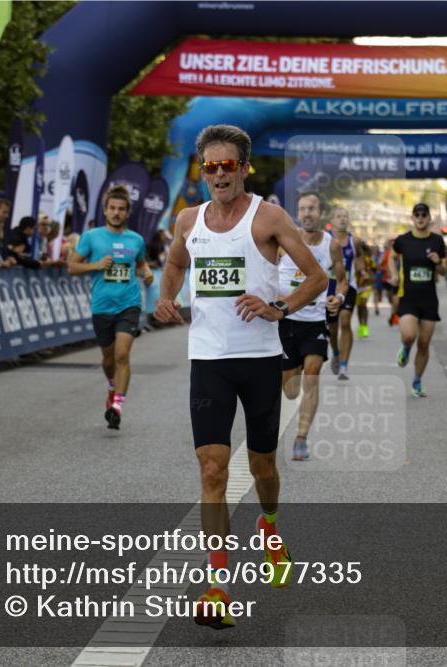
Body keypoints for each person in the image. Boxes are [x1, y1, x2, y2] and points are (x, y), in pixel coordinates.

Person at [153, 124, 326, 630]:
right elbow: (175, 263)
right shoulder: (188, 219)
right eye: (211, 166)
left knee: (262, 469)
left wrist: (279, 305)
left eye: (229, 165)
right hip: (207, 358)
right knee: (212, 469)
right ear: (202, 170)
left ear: (245, 168)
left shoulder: (268, 216)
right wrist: (167, 297)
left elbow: (316, 277)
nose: (220, 174)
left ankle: (269, 527)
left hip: (257, 359)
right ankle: (217, 586)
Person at [68, 185, 153, 430]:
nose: (116, 213)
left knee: (122, 355)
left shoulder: (136, 240)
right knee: (107, 360)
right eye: (112, 208)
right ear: (105, 210)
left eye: (121, 209)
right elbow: (72, 267)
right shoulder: (91, 237)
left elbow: (141, 263)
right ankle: (112, 386)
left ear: (127, 212)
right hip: (102, 305)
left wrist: (146, 274)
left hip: (129, 303)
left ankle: (117, 406)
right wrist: (95, 266)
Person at [278, 191, 346, 460]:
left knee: (313, 374)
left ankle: (301, 437)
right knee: (290, 388)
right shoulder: (285, 241)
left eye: (312, 209)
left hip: (315, 321)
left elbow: (342, 279)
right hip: (286, 321)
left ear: (321, 213)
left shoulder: (331, 246)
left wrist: (337, 297)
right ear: (298, 213)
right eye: (303, 209)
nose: (307, 214)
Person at [389, 203, 447, 398]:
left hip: (429, 299)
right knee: (408, 336)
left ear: (429, 218)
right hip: (409, 298)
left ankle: (417, 381)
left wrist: (438, 262)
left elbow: (444, 272)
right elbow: (391, 256)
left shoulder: (438, 241)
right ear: (412, 218)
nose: (421, 218)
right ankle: (405, 348)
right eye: (417, 215)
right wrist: (393, 274)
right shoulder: (403, 240)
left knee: (423, 344)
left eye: (424, 215)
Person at [325, 206, 360, 380]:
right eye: (338, 216)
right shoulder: (326, 240)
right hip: (329, 287)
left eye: (345, 216)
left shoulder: (355, 241)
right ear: (332, 221)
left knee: (345, 320)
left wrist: (363, 271)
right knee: (332, 327)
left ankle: (344, 366)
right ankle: (336, 353)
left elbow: (359, 259)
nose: (342, 219)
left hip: (349, 285)